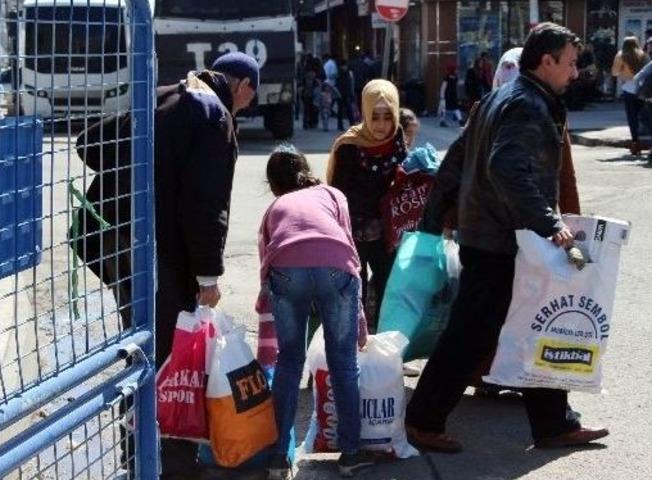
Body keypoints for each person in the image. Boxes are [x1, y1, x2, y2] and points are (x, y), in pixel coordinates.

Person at [405, 23, 608, 453]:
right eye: (570, 64)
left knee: (537, 323)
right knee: (471, 335)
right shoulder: (527, 105)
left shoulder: (501, 97)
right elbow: (505, 168)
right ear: (546, 61)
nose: (575, 73)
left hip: (495, 236)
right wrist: (549, 223)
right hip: (499, 241)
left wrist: (434, 217)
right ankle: (422, 421)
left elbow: (456, 158)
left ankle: (553, 424)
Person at [73, 51, 259, 478]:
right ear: (242, 86)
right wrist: (208, 277)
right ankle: (168, 462)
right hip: (161, 255)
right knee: (170, 359)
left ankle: (135, 454)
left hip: (112, 240)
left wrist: (147, 173)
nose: (248, 104)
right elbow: (205, 206)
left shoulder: (163, 97)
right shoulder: (214, 116)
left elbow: (88, 143)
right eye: (251, 96)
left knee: (139, 347)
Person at [259, 146, 375, 480]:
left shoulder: (274, 209)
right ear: (306, 170)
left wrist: (266, 341)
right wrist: (360, 325)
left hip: (286, 270)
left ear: (273, 183)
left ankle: (278, 458)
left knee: (289, 362)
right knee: (343, 363)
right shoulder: (332, 195)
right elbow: (349, 250)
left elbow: (265, 267)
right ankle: (350, 454)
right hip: (335, 267)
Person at [327, 79, 407, 332]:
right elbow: (339, 193)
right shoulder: (350, 146)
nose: (381, 125)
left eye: (387, 117)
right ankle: (355, 340)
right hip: (355, 230)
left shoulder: (397, 140)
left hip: (387, 232)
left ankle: (382, 337)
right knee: (354, 286)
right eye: (375, 116)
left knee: (388, 283)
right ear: (364, 112)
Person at [612, 36, 649, 156]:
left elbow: (614, 72)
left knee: (632, 117)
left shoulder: (621, 55)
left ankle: (635, 142)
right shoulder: (643, 55)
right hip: (641, 88)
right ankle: (650, 138)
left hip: (628, 88)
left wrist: (623, 72)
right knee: (643, 114)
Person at [336, 59, 356, 130]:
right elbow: (348, 84)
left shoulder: (342, 73)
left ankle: (350, 124)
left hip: (345, 94)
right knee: (343, 110)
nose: (345, 67)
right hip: (343, 94)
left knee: (345, 110)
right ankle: (344, 124)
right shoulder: (344, 73)